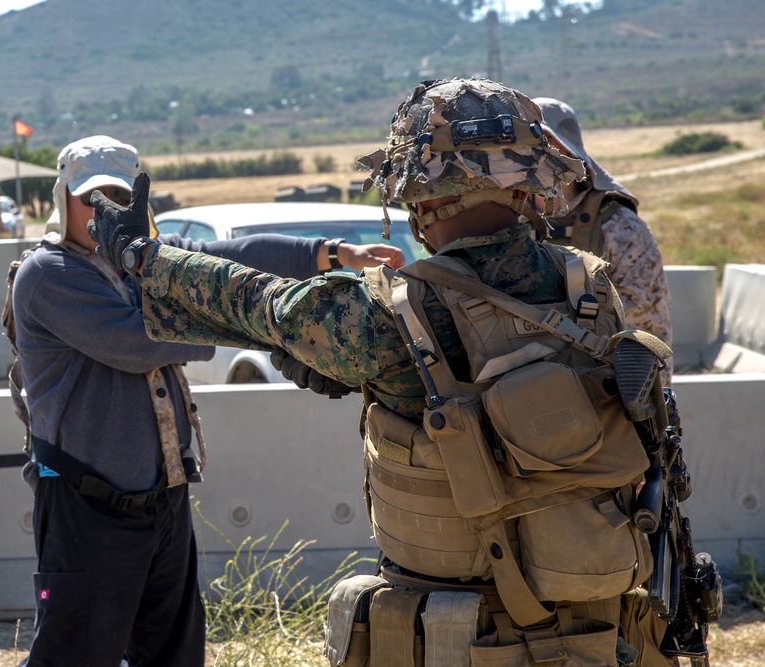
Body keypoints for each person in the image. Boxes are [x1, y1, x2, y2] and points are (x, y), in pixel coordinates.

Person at [90, 80, 713, 665]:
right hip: (595, 627)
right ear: (527, 184)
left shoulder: (395, 313)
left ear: (422, 197)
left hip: (462, 630)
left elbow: (260, 305)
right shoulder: (590, 283)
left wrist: (142, 256)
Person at [10, 134, 404, 667]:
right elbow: (138, 341)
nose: (103, 211)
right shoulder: (50, 274)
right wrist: (251, 317)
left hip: (162, 498)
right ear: (63, 201)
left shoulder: (142, 263)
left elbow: (234, 258)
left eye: (119, 198)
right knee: (75, 653)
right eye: (89, 198)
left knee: (174, 652)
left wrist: (331, 254)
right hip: (88, 506)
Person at [532, 96, 673, 384]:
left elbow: (645, 327)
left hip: (608, 385)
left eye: (546, 143)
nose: (537, 156)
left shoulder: (618, 227)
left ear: (569, 150)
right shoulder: (509, 222)